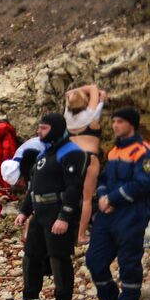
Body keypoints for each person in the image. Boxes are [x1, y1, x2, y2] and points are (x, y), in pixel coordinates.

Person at [16, 114, 88, 300]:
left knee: (59, 258)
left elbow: (74, 188)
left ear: (55, 129)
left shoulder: (72, 152)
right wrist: (24, 211)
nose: (39, 132)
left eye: (44, 128)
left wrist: (65, 217)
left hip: (57, 211)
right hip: (40, 213)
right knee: (31, 256)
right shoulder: (44, 154)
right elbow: (33, 187)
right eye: (39, 128)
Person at [86, 107, 150, 300]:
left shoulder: (143, 150)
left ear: (131, 124)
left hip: (131, 214)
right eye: (113, 122)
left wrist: (113, 199)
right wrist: (103, 197)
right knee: (94, 259)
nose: (115, 126)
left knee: (128, 261)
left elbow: (144, 183)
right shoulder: (113, 152)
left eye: (120, 122)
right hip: (107, 215)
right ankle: (109, 299)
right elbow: (103, 180)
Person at [66, 83, 108, 243]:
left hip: (71, 158)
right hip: (89, 157)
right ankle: (81, 235)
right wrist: (99, 95)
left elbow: (69, 93)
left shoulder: (68, 116)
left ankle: (67, 229)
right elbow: (93, 87)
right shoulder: (91, 114)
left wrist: (78, 95)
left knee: (69, 193)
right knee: (87, 198)